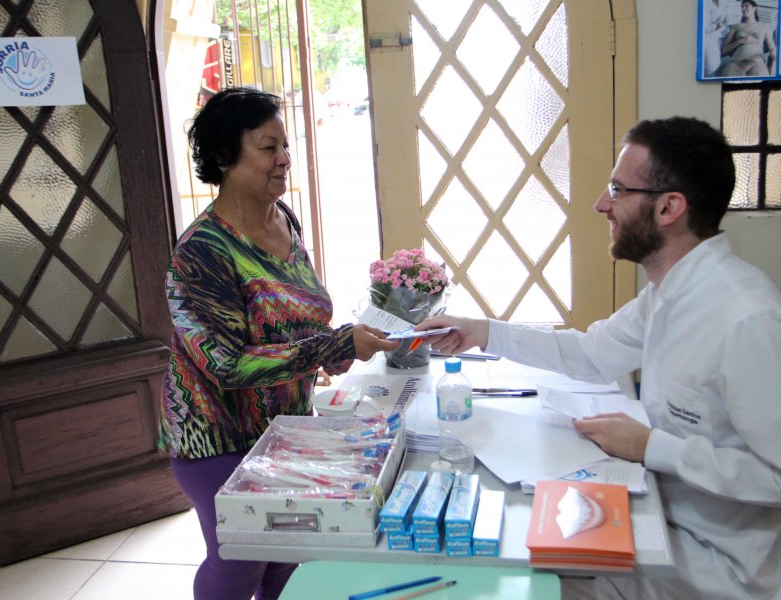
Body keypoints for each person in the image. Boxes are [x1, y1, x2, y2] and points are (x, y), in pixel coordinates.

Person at [418, 117, 781, 600]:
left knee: (516, 581)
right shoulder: (671, 294)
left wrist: (651, 446)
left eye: (618, 189)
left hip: (718, 566)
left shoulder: (743, 318)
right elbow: (591, 354)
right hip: (660, 518)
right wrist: (484, 332)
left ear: (669, 207)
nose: (601, 205)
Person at [158, 87, 399, 600]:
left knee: (289, 565)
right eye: (269, 148)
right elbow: (224, 365)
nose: (284, 159)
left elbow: (298, 320)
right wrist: (331, 348)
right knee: (240, 563)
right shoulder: (201, 252)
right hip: (217, 437)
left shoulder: (284, 221)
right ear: (225, 156)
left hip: (283, 429)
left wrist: (342, 346)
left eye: (285, 146)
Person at [720, 0, 777, 77]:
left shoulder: (764, 26)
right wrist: (740, 41)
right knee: (728, 85)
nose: (743, 8)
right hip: (736, 62)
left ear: (754, 8)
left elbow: (772, 48)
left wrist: (774, 60)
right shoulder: (736, 26)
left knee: (760, 85)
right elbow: (724, 50)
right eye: (742, 7)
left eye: (746, 5)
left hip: (757, 62)